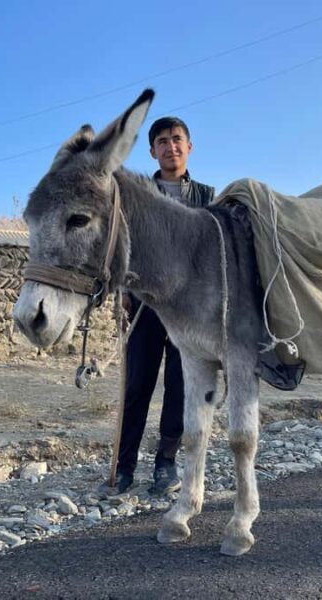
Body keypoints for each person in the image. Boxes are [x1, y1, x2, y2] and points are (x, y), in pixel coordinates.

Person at [108, 116, 215, 495]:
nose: (171, 146)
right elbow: (122, 245)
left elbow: (213, 251)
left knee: (178, 384)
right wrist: (123, 291)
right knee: (137, 383)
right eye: (163, 141)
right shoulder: (137, 195)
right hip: (144, 304)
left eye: (177, 139)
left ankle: (165, 465)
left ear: (189, 146)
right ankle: (122, 467)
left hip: (188, 309)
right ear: (152, 151)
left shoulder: (207, 197)